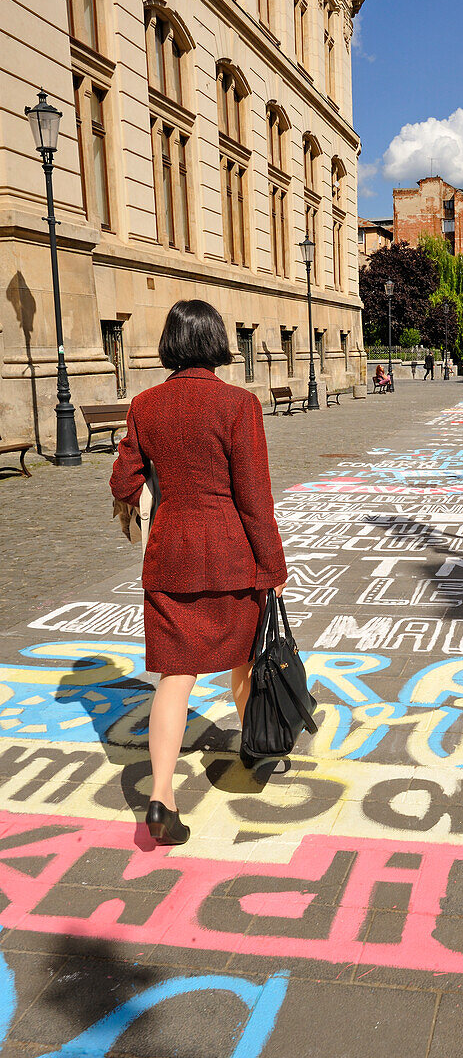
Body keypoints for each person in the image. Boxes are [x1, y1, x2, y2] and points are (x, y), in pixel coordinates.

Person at [110, 300, 287, 846]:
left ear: (170, 344)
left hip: (171, 555)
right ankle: (255, 746)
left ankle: (160, 795)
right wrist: (272, 563)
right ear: (215, 342)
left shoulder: (145, 404)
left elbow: (122, 479)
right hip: (231, 554)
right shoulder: (238, 404)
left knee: (174, 677)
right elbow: (253, 494)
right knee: (242, 658)